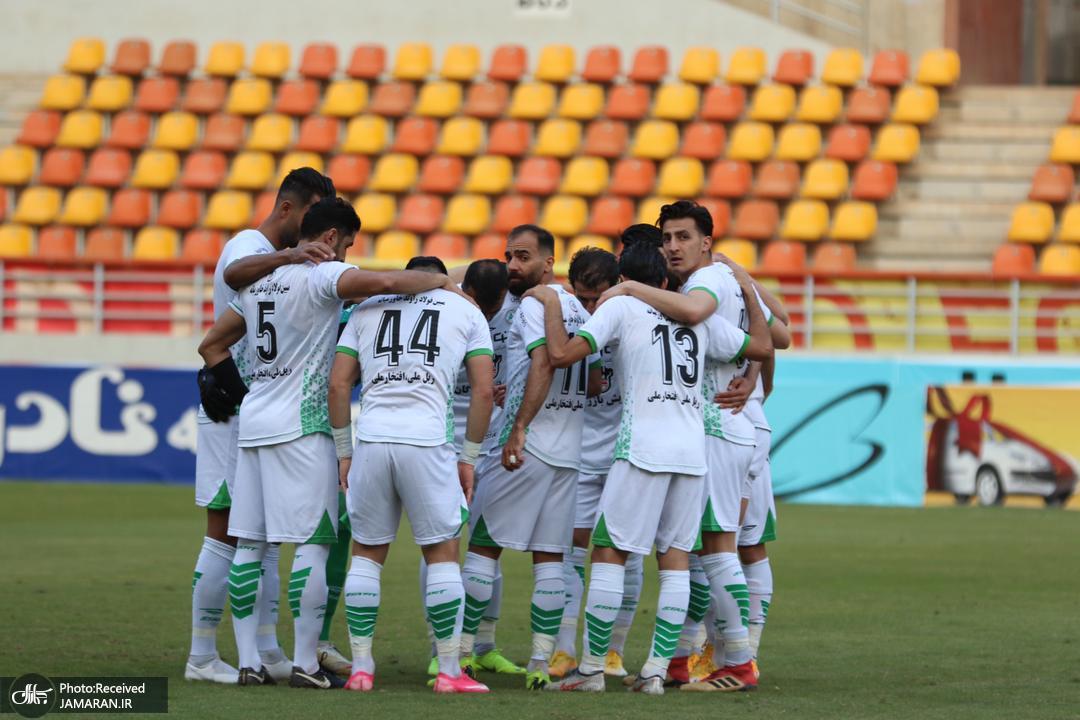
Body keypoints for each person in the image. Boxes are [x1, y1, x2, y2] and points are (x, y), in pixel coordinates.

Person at [197, 197, 467, 688]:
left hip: (254, 422)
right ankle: (305, 662)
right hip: (304, 424)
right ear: (329, 237)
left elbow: (211, 343)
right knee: (314, 543)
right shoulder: (322, 275)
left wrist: (246, 394)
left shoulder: (259, 279)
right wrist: (437, 282)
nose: (346, 254)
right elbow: (385, 284)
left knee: (250, 545)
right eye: (346, 244)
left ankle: (249, 663)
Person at [538, 242, 772, 695]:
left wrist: (550, 302)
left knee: (609, 553)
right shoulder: (699, 318)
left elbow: (564, 354)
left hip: (642, 448)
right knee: (676, 561)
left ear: (623, 278)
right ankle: (656, 672)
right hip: (692, 453)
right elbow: (762, 344)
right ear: (665, 281)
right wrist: (747, 297)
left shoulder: (621, 305)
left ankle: (591, 670)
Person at [599, 200, 775, 692]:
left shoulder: (704, 283)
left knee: (718, 551)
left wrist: (630, 287)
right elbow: (773, 334)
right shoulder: (719, 280)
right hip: (724, 428)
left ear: (706, 242)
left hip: (715, 429)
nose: (673, 247)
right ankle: (680, 659)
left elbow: (700, 313)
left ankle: (739, 661)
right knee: (695, 553)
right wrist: (752, 371)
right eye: (667, 239)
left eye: (683, 237)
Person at [187, 167, 335, 684]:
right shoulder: (248, 246)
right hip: (235, 411)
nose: (314, 230)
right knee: (226, 534)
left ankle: (268, 650)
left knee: (261, 538)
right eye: (310, 214)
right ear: (288, 208)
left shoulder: (278, 258)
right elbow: (237, 275)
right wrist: (291, 256)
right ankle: (201, 655)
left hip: (256, 410)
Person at [329, 256, 494, 694]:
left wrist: (344, 452)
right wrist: (469, 458)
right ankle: (449, 671)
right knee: (442, 553)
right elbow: (483, 390)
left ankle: (361, 669)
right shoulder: (465, 310)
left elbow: (339, 384)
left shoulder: (366, 309)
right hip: (427, 441)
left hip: (373, 439)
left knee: (366, 553)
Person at [460, 224, 594, 690]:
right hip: (568, 450)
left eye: (523, 257)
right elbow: (595, 379)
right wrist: (516, 384)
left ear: (549, 262)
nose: (512, 266)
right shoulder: (578, 307)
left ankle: (460, 655)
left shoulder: (537, 304)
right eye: (509, 256)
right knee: (551, 557)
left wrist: (519, 424)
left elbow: (544, 362)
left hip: (527, 445)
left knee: (483, 545)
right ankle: (540, 663)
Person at [549, 246, 640, 681]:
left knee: (626, 553)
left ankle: (613, 652)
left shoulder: (635, 318)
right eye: (581, 298)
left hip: (627, 453)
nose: (589, 308)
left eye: (596, 298)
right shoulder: (568, 323)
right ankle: (565, 650)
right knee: (571, 550)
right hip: (581, 453)